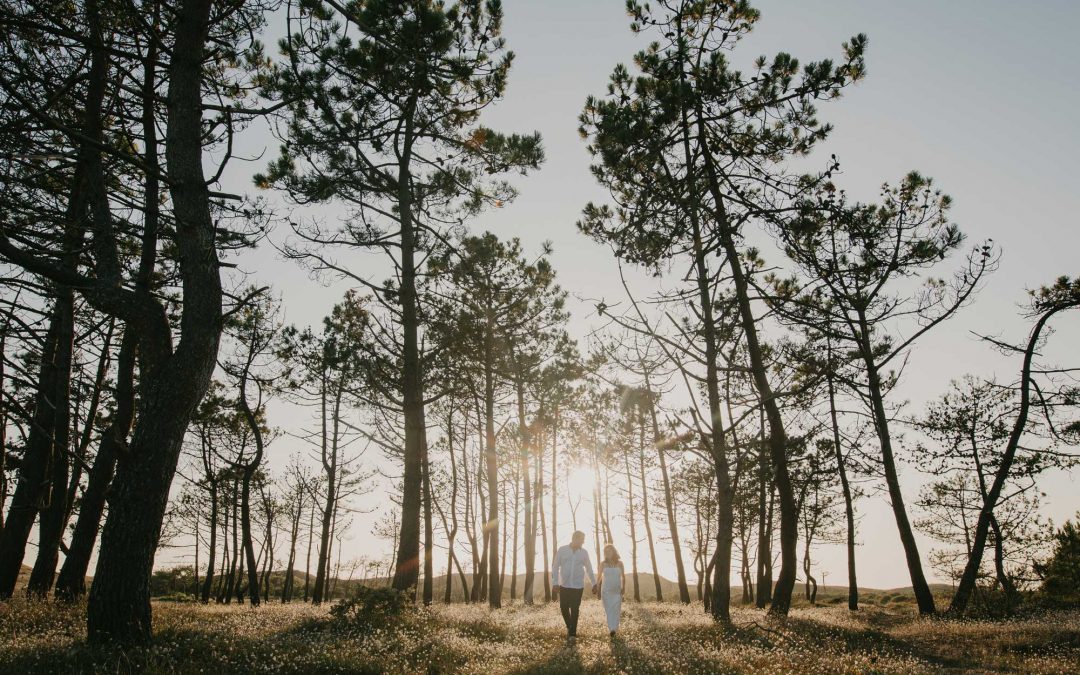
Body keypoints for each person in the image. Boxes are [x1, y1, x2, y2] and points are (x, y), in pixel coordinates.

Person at [551, 530, 596, 642]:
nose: (583, 542)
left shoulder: (584, 553)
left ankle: (572, 634)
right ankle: (570, 627)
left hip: (577, 585)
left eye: (583, 540)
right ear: (574, 538)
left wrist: (594, 583)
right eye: (581, 540)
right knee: (564, 608)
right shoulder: (562, 550)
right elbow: (555, 567)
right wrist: (555, 582)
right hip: (564, 584)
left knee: (575, 608)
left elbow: (589, 569)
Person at [598, 543, 625, 637]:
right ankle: (612, 629)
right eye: (606, 551)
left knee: (616, 610)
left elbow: (623, 577)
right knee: (609, 610)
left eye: (610, 550)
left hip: (617, 590)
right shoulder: (603, 564)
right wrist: (597, 588)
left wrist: (623, 588)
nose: (608, 552)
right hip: (606, 591)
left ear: (614, 551)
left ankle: (615, 628)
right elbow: (599, 577)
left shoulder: (620, 563)